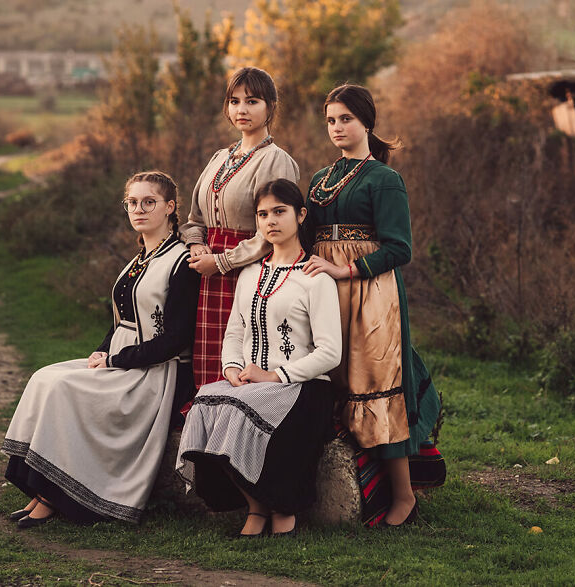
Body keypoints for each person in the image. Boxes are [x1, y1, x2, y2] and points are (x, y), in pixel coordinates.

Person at [1, 171, 200, 529]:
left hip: (154, 374)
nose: (139, 209)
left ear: (170, 207)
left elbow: (176, 339)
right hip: (122, 362)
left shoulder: (180, 261)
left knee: (64, 388)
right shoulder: (140, 258)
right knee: (44, 377)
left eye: (149, 202)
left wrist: (115, 360)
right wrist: (100, 353)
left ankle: (53, 497)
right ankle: (41, 489)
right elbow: (120, 320)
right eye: (132, 203)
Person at [302, 84, 444, 528]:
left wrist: (346, 269)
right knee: (331, 378)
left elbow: (400, 248)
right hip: (325, 291)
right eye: (331, 120)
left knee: (378, 384)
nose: (337, 127)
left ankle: (403, 496)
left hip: (371, 293)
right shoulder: (319, 179)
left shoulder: (384, 179)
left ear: (366, 122)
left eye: (346, 118)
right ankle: (346, 488)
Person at [176, 179, 341, 537]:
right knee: (205, 401)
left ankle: (282, 504)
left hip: (304, 388)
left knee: (237, 408)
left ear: (300, 215)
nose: (271, 221)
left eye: (280, 212)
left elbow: (330, 352)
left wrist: (275, 376)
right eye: (263, 214)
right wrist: (232, 368)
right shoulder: (250, 273)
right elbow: (234, 332)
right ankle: (256, 504)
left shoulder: (315, 278)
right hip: (252, 384)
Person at [181, 66, 300, 391]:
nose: (241, 110)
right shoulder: (220, 157)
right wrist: (196, 245)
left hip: (249, 271)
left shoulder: (276, 160)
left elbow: (275, 232)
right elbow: (195, 219)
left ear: (270, 106)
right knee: (208, 358)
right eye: (234, 101)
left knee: (240, 358)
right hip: (208, 274)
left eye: (252, 101)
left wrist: (221, 261)